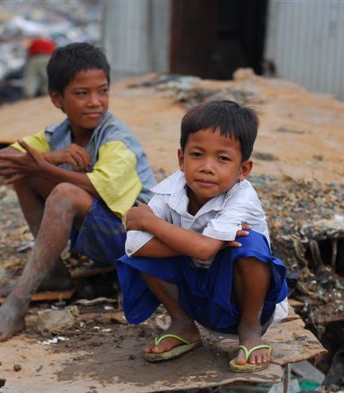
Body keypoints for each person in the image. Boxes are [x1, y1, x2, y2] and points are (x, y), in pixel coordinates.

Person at [0, 42, 157, 342]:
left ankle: (17, 304)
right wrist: (53, 157)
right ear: (57, 99)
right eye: (82, 94)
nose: (95, 102)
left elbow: (98, 186)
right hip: (103, 235)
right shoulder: (56, 135)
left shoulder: (116, 137)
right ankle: (54, 273)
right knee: (25, 173)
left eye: (103, 91)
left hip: (140, 240)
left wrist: (43, 168)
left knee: (64, 192)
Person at [116, 100, 288, 373]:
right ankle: (183, 324)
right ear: (181, 159)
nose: (207, 167)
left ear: (243, 169)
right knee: (136, 256)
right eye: (197, 154)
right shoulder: (168, 191)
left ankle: (250, 331)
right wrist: (198, 245)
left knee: (250, 245)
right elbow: (134, 245)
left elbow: (205, 250)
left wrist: (154, 224)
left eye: (222, 158)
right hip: (197, 295)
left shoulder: (242, 196)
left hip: (239, 299)